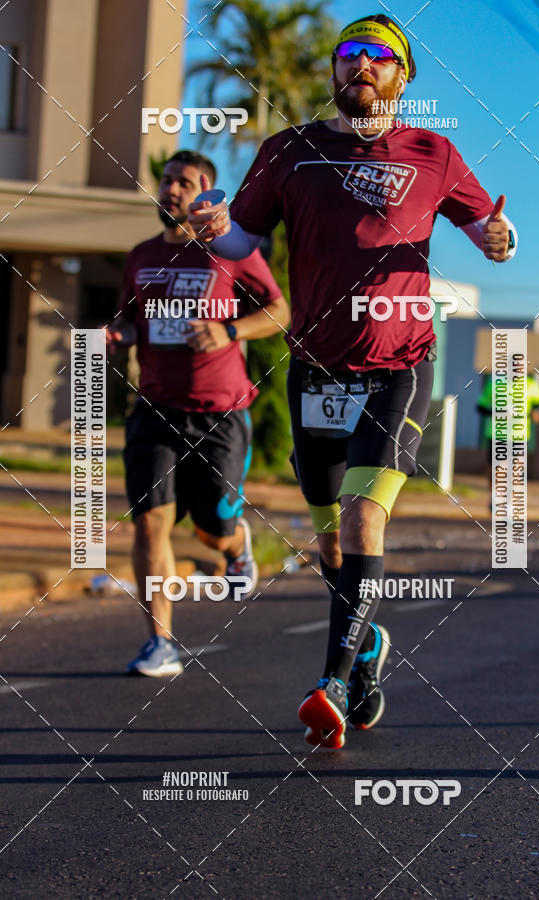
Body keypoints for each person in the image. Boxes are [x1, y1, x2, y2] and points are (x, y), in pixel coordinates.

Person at [188, 14, 518, 748]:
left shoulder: (434, 152)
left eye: (378, 56)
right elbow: (245, 237)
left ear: (403, 77)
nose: (360, 66)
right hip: (315, 368)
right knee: (331, 542)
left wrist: (502, 239)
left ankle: (333, 679)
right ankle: (367, 652)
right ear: (334, 72)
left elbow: (485, 231)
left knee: (365, 518)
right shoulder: (289, 152)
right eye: (348, 54)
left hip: (400, 366)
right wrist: (217, 233)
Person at [106, 150, 289, 677]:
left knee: (211, 524)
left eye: (183, 183)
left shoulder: (229, 251)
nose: (171, 190)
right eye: (165, 181)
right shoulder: (140, 256)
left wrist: (229, 330)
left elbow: (280, 310)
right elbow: (132, 321)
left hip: (219, 414)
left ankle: (234, 546)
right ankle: (160, 642)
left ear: (206, 191)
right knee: (150, 526)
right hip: (156, 408)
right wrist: (120, 335)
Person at [477, 372, 539, 505]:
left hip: (519, 434)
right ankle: (494, 496)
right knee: (496, 469)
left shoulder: (530, 385)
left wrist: (535, 414)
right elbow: (480, 407)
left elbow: (537, 406)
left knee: (516, 468)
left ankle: (509, 501)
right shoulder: (495, 384)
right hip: (497, 433)